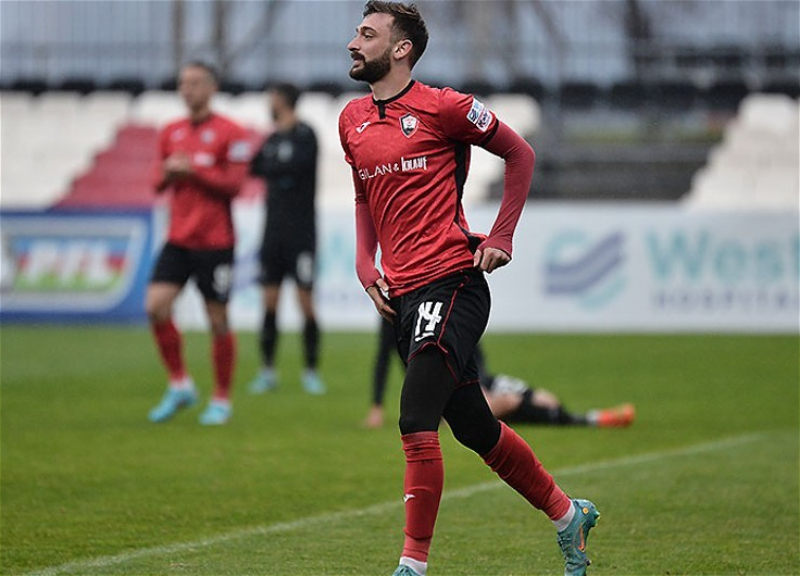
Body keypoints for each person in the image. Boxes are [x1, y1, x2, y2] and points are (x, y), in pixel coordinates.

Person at [339, 3, 599, 576]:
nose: (353, 42)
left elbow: (520, 153)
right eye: (356, 32)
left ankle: (412, 565)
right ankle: (568, 515)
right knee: (476, 428)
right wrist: (364, 265)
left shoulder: (446, 107)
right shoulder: (351, 119)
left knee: (415, 419)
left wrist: (501, 235)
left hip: (454, 280)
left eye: (367, 34)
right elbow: (363, 197)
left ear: (401, 49)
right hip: (404, 294)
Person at [146, 61, 251, 426]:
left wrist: (194, 170)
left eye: (193, 83)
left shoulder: (232, 132)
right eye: (182, 83)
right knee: (156, 307)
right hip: (178, 237)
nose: (186, 89)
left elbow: (234, 185)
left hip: (215, 241)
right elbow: (156, 184)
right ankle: (179, 384)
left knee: (217, 319)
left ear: (211, 87)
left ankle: (221, 398)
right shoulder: (170, 131)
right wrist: (168, 172)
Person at [364, 319, 636, 429]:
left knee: (547, 399)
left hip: (475, 378)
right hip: (442, 390)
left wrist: (480, 382)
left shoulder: (449, 300)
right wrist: (377, 406)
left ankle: (578, 417)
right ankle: (591, 419)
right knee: (507, 403)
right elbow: (382, 359)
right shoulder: (395, 313)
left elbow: (474, 350)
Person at [247, 83, 326, 395]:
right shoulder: (272, 138)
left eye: (272, 98)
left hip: (301, 234)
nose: (269, 103)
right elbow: (254, 166)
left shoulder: (306, 135)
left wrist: (276, 169)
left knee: (306, 303)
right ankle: (267, 371)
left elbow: (296, 165)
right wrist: (279, 170)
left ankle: (311, 371)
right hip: (272, 233)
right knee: (269, 303)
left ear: (284, 101)